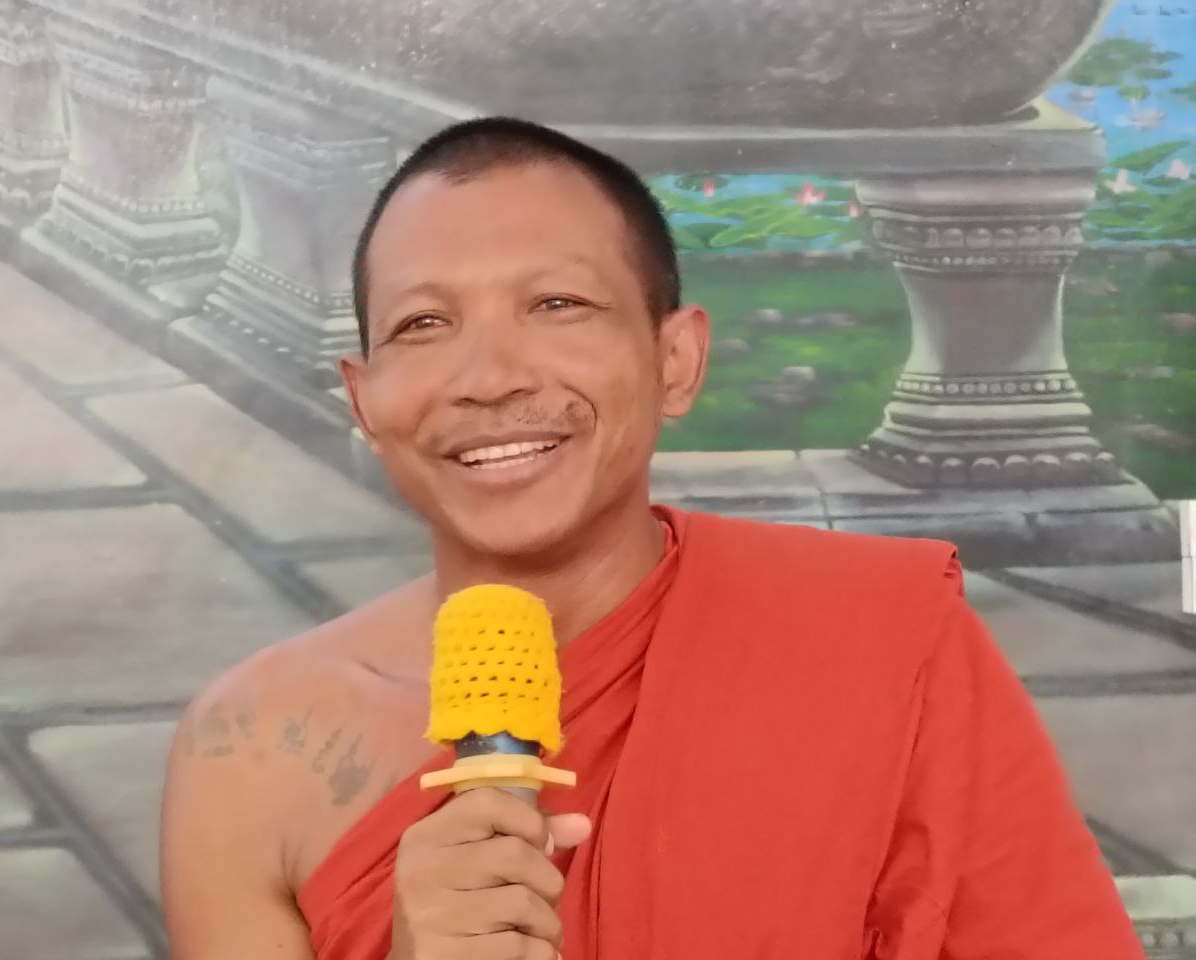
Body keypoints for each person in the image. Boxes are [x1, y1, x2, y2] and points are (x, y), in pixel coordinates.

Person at [160, 117, 1144, 960]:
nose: (489, 377)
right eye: (422, 324)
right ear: (363, 399)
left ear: (676, 360)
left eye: (557, 304)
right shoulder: (252, 752)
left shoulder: (879, 639)